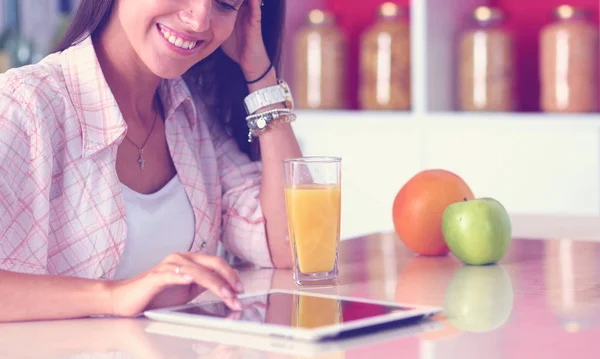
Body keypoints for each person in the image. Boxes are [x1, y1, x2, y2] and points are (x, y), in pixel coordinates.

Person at [0, 0, 301, 322]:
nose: (200, 20)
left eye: (225, 3)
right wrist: (118, 295)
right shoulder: (21, 107)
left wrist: (259, 72)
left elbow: (291, 245)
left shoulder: (191, 115)